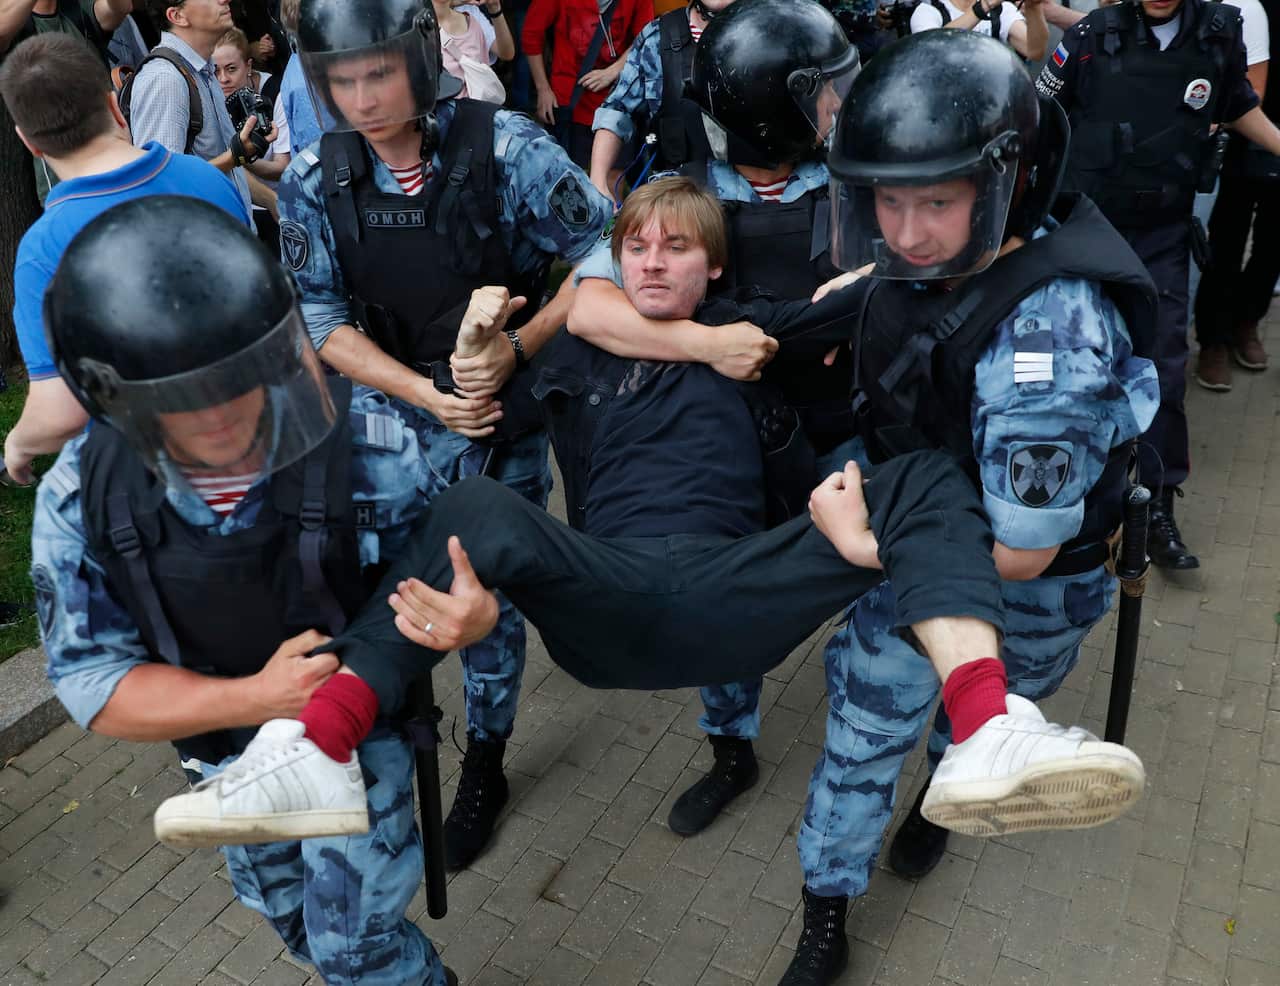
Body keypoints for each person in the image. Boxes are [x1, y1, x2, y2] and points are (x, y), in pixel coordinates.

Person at [148, 182, 1145, 866]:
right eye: (635, 245)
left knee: (922, 475)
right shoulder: (579, 348)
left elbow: (912, 289)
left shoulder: (759, 343)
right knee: (474, 500)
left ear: (713, 267)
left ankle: (986, 726)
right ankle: (315, 745)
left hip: (741, 594)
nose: (654, 259)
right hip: (605, 601)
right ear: (611, 260)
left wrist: (844, 483)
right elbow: (507, 373)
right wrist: (479, 349)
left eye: (678, 245)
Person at [747, 31, 1164, 986]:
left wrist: (862, 546)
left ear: (1006, 184)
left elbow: (1016, 555)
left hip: (1011, 585)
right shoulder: (922, 257)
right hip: (923, 539)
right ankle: (828, 906)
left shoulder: (1048, 347)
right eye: (886, 202)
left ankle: (947, 787)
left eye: (935, 202)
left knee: (961, 728)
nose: (905, 232)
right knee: (859, 748)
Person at [34, 196, 463, 986]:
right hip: (224, 765)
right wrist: (259, 698)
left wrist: (471, 616)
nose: (225, 413)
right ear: (116, 393)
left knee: (356, 951)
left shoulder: (367, 446)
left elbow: (450, 569)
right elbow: (94, 682)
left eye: (241, 376)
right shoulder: (83, 496)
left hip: (359, 745)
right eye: (183, 399)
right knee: (293, 925)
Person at [278, 0, 611, 872]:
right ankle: (380, 728)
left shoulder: (506, 149)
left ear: (418, 60)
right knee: (386, 592)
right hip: (390, 421)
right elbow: (318, 315)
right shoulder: (317, 176)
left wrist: (517, 349)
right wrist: (423, 393)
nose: (360, 98)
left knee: (480, 604)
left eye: (376, 73)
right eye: (340, 79)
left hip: (497, 424)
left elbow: (604, 249)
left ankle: (488, 760)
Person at [570, 0, 865, 839]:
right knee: (723, 606)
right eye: (819, 95)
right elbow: (590, 310)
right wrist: (713, 344)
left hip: (842, 429)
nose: (835, 108)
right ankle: (731, 746)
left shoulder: (861, 179)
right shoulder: (682, 193)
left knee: (874, 606)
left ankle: (864, 765)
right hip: (738, 437)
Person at [1037, 0, 1280, 570]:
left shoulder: (1219, 34)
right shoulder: (1094, 35)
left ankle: (1156, 506)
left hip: (1164, 236)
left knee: (1165, 370)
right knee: (1076, 364)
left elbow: (1240, 105)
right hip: (1087, 233)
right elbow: (1037, 119)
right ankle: (1067, 500)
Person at [0, 32, 249, 487]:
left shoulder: (44, 248)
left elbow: (62, 412)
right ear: (115, 105)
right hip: (252, 428)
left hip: (155, 478)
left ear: (29, 142)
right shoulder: (204, 178)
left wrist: (16, 446)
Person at [127, 0, 279, 222]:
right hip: (202, 246)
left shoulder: (204, 70)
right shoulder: (164, 79)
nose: (225, 0)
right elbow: (160, 188)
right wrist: (235, 155)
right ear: (177, 16)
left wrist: (270, 200)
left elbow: (223, 167)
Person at [1193, 0, 1277, 391]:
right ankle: (1213, 339)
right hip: (1244, 119)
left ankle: (1247, 322)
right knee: (1227, 231)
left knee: (1274, 240)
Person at [586, 0, 737, 200]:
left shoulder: (779, 29)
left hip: (760, 208)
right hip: (677, 203)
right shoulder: (658, 38)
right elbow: (616, 111)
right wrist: (598, 181)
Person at [0, 0, 133, 201]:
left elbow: (121, 7)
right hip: (68, 185)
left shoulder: (78, 10)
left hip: (118, 164)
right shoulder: (14, 21)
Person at [520, 0, 652, 169]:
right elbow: (531, 34)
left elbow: (645, 37)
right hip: (571, 99)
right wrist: (543, 89)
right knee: (568, 176)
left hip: (619, 99)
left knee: (613, 176)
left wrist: (613, 71)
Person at [909, 0, 1048, 62]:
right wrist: (983, 7)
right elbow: (930, 50)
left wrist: (1034, 7)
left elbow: (1034, 51)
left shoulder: (1000, 9)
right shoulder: (927, 10)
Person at [433, 0, 513, 103]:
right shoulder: (414, 20)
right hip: (437, 111)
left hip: (476, 108)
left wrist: (495, 9)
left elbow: (506, 54)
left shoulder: (472, 16)